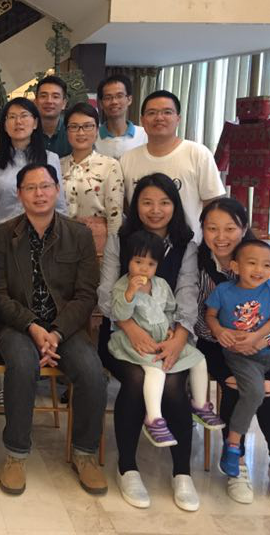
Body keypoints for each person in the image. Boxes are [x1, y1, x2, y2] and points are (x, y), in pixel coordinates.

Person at [0, 163, 106, 497]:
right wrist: (32, 326)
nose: (39, 193)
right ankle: (16, 454)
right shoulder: (0, 236)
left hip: (64, 328)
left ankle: (85, 454)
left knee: (91, 370)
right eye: (30, 187)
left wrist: (55, 332)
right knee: (23, 363)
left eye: (45, 186)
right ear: (19, 194)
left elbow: (86, 295)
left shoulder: (79, 235)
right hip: (15, 325)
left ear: (57, 189)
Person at [98, 173, 201, 511]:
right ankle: (127, 467)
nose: (155, 210)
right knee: (136, 378)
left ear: (175, 205)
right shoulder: (120, 240)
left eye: (164, 202)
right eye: (147, 202)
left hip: (169, 335)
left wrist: (179, 338)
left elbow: (187, 294)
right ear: (135, 205)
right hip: (121, 334)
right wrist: (129, 327)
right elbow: (105, 293)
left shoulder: (186, 246)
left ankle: (182, 473)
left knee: (173, 384)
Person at [196, 197, 270, 507]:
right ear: (202, 230)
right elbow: (197, 316)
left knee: (268, 388)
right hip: (217, 343)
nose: (221, 237)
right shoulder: (199, 265)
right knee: (237, 385)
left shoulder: (264, 262)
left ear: (243, 229)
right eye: (212, 228)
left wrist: (261, 339)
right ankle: (236, 464)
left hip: (266, 342)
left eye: (230, 228)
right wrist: (221, 333)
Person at [108, 230, 223, 448]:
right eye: (138, 262)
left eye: (150, 264)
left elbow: (170, 309)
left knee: (199, 359)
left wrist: (171, 328)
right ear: (128, 261)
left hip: (162, 338)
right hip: (133, 341)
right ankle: (153, 419)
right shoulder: (123, 286)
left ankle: (199, 405)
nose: (144, 268)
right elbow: (119, 314)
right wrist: (130, 293)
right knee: (155, 371)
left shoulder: (161, 284)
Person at [119, 90, 226, 243]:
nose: (159, 118)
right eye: (152, 113)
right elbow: (125, 204)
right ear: (142, 120)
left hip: (190, 246)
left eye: (167, 112)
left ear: (178, 118)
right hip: (141, 249)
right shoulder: (128, 158)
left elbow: (213, 203)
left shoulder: (197, 153)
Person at [0, 97, 66, 225]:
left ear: (35, 123)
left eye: (24, 116)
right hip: (3, 233)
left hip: (43, 231)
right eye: (12, 117)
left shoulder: (50, 159)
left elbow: (60, 206)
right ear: (4, 125)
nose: (18, 122)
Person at [59, 102, 124, 254]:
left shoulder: (110, 165)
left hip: (97, 246)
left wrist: (112, 255)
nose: (81, 132)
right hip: (62, 242)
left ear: (97, 130)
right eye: (74, 127)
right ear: (67, 131)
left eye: (88, 126)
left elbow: (115, 217)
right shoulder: (57, 165)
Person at [95, 74, 147, 160]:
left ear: (129, 99)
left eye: (119, 96)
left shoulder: (144, 135)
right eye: (108, 97)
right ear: (101, 104)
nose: (114, 102)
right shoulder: (93, 137)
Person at [34, 75, 71, 158]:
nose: (49, 101)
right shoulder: (26, 131)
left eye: (55, 97)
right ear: (35, 102)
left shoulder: (72, 131)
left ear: (64, 103)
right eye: (43, 96)